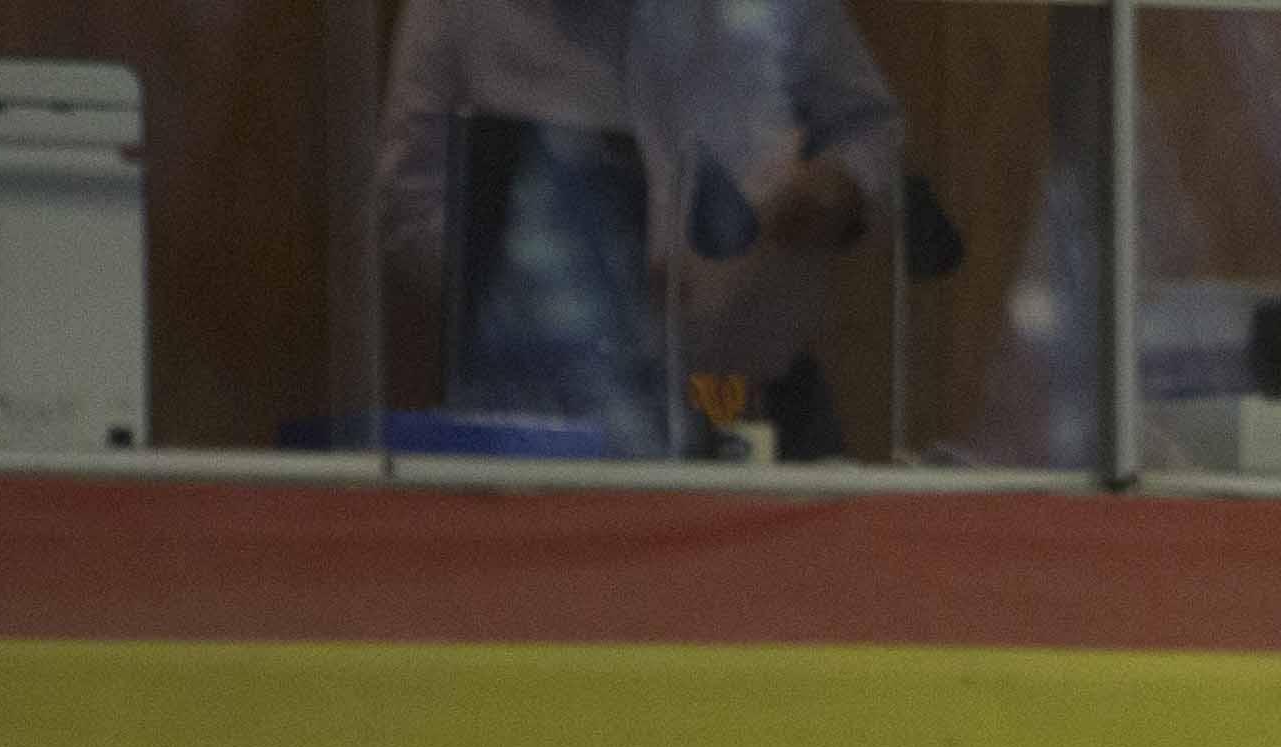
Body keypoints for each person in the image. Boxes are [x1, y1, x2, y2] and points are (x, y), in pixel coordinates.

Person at [379, 0, 903, 460]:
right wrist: (571, 291)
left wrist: (841, 188)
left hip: (755, 399)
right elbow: (408, 205)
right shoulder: (456, 9)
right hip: (550, 417)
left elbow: (870, 130)